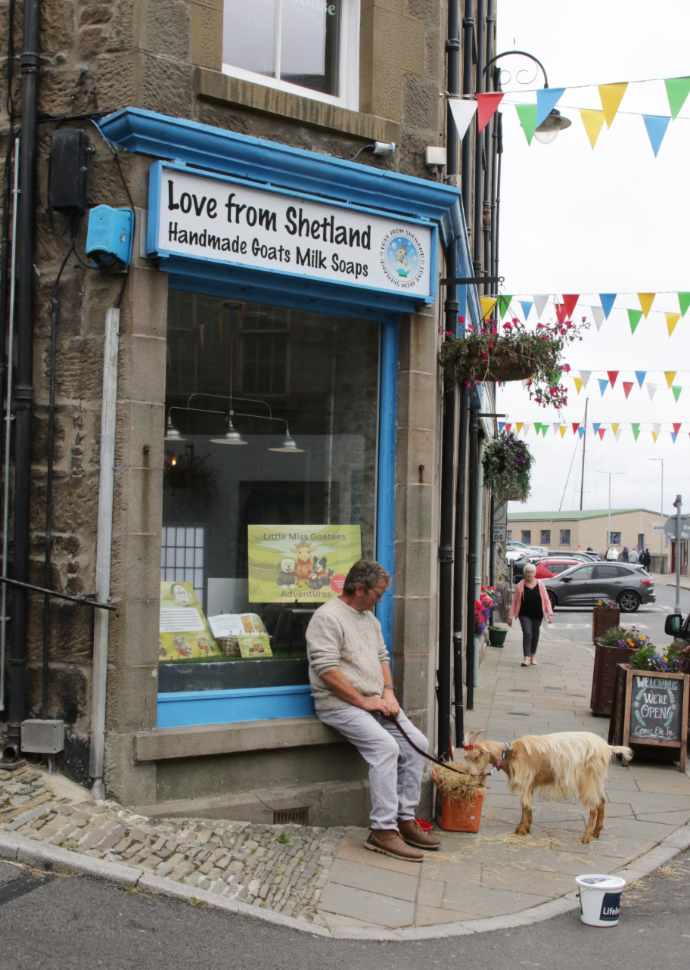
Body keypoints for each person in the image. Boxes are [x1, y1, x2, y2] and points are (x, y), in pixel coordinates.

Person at [306, 559, 441, 862]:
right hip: (339, 704)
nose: (381, 600)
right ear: (358, 589)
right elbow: (326, 670)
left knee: (418, 744)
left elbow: (382, 657)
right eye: (378, 594)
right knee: (385, 748)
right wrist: (364, 701)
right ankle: (382, 830)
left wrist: (388, 692)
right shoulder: (327, 617)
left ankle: (405, 819)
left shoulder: (370, 618)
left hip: (376, 701)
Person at [507, 563, 553, 666]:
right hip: (524, 614)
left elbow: (546, 600)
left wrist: (550, 614)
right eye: (527, 572)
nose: (529, 574)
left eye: (531, 572)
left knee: (535, 635)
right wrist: (510, 617)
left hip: (538, 614)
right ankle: (526, 658)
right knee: (527, 634)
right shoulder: (520, 585)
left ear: (534, 573)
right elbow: (514, 602)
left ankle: (533, 656)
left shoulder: (540, 584)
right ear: (525, 573)